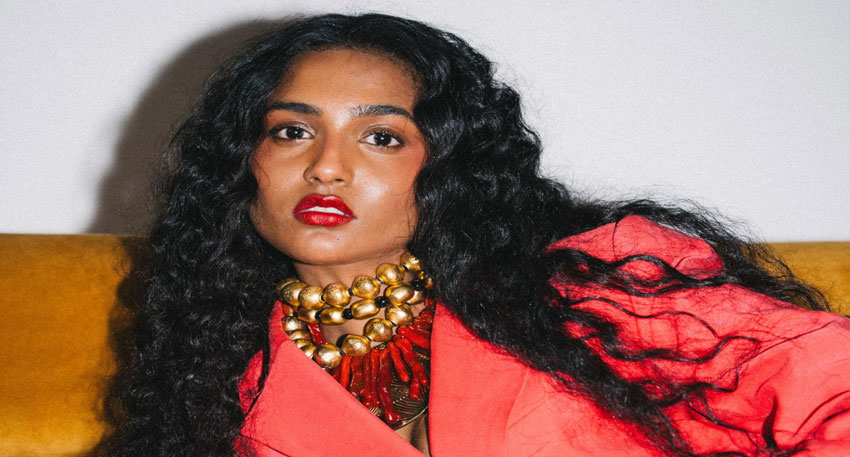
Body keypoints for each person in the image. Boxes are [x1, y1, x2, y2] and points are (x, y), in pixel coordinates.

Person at [103, 13, 850, 457]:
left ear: (447, 167)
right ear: (245, 163)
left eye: (382, 138)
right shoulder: (216, 396)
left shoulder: (599, 285)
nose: (327, 168)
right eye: (293, 130)